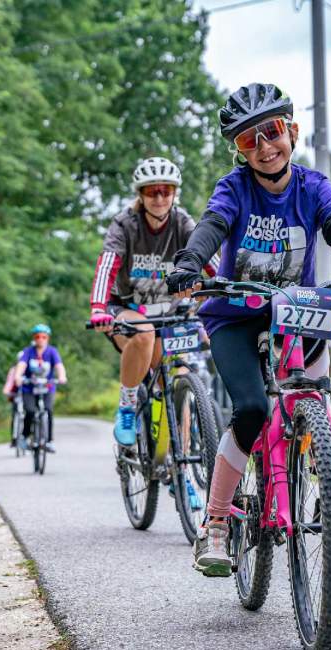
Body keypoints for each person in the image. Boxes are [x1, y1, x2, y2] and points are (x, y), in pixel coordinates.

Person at [167, 82, 331, 577]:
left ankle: (325, 458)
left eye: (271, 132)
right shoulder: (235, 188)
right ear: (239, 151)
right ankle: (217, 523)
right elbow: (212, 225)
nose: (264, 146)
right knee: (251, 409)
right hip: (235, 312)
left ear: (291, 131)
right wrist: (191, 261)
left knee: (312, 385)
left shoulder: (313, 186)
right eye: (249, 140)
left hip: (294, 308)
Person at [88, 157, 218, 448]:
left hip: (167, 317)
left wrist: (227, 293)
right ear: (140, 195)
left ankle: (179, 471)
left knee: (180, 384)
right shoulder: (125, 224)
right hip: (124, 309)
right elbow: (107, 263)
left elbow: (210, 261)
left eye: (165, 190)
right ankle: (127, 406)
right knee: (144, 333)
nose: (159, 197)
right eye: (151, 191)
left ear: (174, 193)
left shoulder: (182, 222)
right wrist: (98, 308)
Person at [13, 324, 67, 453]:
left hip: (47, 387)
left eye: (44, 337)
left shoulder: (52, 351)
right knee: (30, 411)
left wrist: (62, 376)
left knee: (48, 410)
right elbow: (21, 364)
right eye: (38, 337)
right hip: (29, 388)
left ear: (47, 338)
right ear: (34, 338)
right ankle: (25, 437)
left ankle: (49, 441)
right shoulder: (28, 351)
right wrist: (18, 376)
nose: (40, 339)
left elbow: (59, 365)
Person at [2, 349, 25, 447]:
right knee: (15, 414)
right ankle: (14, 438)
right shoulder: (14, 370)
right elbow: (9, 382)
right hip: (16, 394)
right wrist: (7, 392)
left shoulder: (30, 370)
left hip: (28, 394)